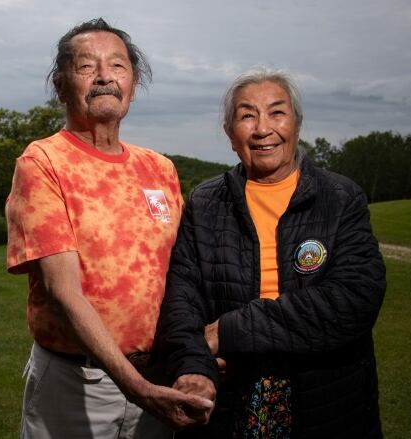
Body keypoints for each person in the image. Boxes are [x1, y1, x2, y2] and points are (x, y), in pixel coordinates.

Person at [5, 17, 214, 439]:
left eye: (118, 66)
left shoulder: (160, 168)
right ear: (61, 86)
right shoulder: (43, 162)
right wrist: (137, 389)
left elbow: (185, 275)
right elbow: (63, 294)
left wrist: (198, 352)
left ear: (133, 84)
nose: (104, 77)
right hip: (77, 385)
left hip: (158, 375)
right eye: (86, 67)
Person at [153, 68, 386, 438]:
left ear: (296, 124)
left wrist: (232, 329)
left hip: (325, 397)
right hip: (230, 396)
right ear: (231, 135)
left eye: (277, 112)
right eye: (247, 115)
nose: (263, 128)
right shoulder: (206, 203)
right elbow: (183, 296)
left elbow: (354, 299)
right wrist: (194, 367)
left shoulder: (340, 198)